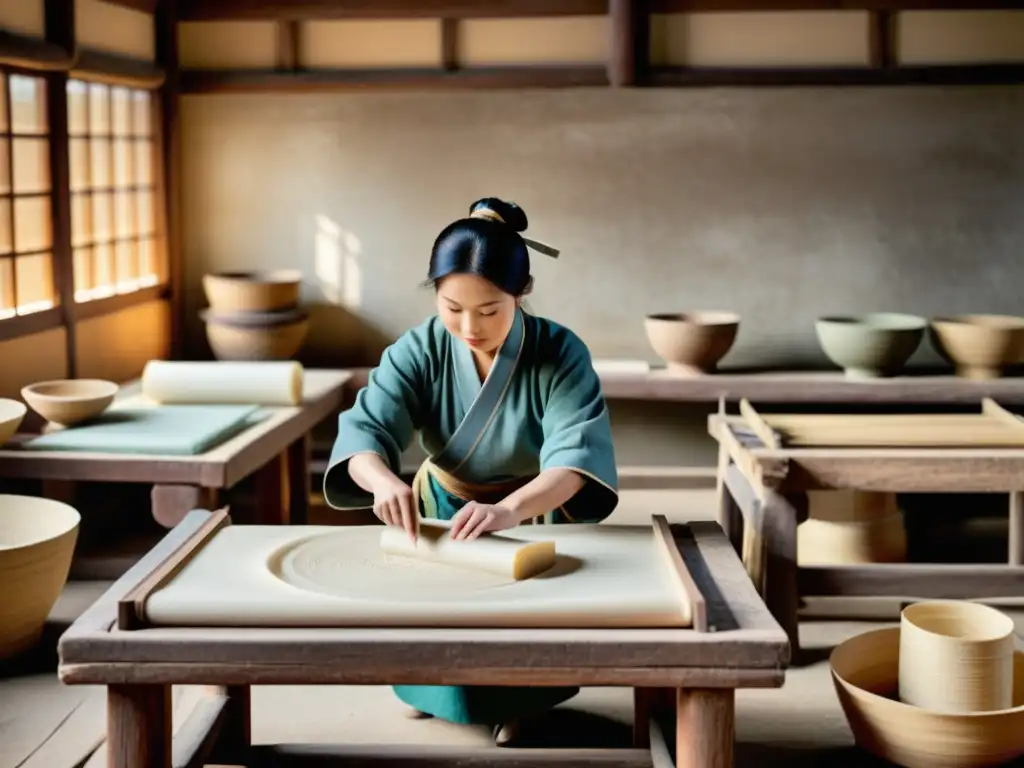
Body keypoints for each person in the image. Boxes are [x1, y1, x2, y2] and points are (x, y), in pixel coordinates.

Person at [322, 196, 619, 746]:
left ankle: (522, 701)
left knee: (522, 611)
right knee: (435, 602)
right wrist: (383, 479)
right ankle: (429, 692)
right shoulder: (418, 349)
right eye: (452, 307)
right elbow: (365, 430)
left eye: (489, 311)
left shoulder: (560, 351)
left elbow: (576, 456)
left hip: (527, 507)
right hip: (442, 499)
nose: (469, 326)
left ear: (519, 294)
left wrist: (510, 508)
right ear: (434, 292)